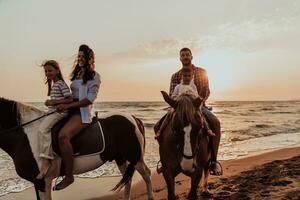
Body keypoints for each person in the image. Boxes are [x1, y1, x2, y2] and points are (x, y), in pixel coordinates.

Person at [156, 47, 222, 176]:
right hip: (180, 108)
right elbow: (172, 94)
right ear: (180, 58)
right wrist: (177, 104)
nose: (185, 57)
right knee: (158, 126)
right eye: (183, 55)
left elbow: (206, 91)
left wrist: (199, 103)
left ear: (191, 57)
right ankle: (165, 160)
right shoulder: (175, 76)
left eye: (187, 55)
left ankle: (213, 161)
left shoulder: (201, 72)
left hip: (198, 106)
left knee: (215, 123)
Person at [53, 44, 101, 190]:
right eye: (78, 56)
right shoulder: (76, 74)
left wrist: (68, 106)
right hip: (69, 109)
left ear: (89, 59)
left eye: (83, 56)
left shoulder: (94, 76)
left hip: (82, 112)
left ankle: (69, 176)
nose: (80, 58)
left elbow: (89, 100)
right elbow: (70, 95)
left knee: (63, 136)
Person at [155, 67, 215, 139]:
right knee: (169, 115)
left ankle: (208, 129)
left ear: (192, 77)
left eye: (189, 76)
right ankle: (160, 131)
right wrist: (178, 99)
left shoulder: (193, 86)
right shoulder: (178, 87)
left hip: (191, 106)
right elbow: (173, 96)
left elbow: (196, 95)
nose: (187, 77)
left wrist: (194, 100)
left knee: (200, 114)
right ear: (181, 76)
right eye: (185, 76)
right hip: (180, 106)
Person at [36, 60, 73, 179]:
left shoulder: (61, 83)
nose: (48, 73)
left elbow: (70, 99)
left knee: (42, 130)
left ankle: (46, 159)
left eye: (50, 70)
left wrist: (53, 102)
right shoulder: (54, 84)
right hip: (53, 111)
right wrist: (50, 104)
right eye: (46, 71)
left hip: (60, 113)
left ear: (57, 70)